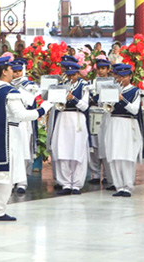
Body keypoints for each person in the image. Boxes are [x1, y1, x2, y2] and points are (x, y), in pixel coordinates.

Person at [0, 56, 52, 221]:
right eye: (10, 69)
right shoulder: (10, 92)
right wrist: (43, 109)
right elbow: (21, 115)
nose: (13, 72)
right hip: (7, 135)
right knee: (5, 174)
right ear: (4, 71)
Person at [48, 59, 91, 195]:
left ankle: (76, 184)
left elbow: (85, 106)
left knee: (77, 151)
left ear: (78, 73)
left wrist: (73, 98)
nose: (71, 78)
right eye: (69, 75)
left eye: (73, 75)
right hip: (63, 118)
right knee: (62, 150)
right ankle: (65, 183)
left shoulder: (84, 86)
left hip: (77, 118)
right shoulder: (62, 85)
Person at [106, 64, 143, 197]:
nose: (121, 79)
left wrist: (123, 100)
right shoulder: (111, 89)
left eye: (124, 77)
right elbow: (106, 108)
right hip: (114, 122)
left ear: (129, 76)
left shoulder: (135, 91)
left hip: (128, 123)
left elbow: (134, 110)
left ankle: (128, 186)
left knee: (127, 156)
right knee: (114, 155)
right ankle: (119, 186)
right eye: (118, 76)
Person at [8, 58, 41, 194]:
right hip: (10, 120)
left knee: (22, 150)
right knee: (11, 151)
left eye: (19, 71)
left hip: (23, 121)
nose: (17, 74)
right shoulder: (7, 84)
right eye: (14, 71)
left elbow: (31, 102)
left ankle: (22, 182)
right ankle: (11, 181)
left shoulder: (29, 84)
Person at [87, 58, 113, 187]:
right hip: (94, 115)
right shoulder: (92, 83)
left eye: (103, 69)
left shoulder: (113, 83)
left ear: (108, 69)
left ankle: (108, 175)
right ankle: (95, 174)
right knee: (94, 147)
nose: (101, 71)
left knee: (106, 145)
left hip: (107, 116)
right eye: (99, 69)